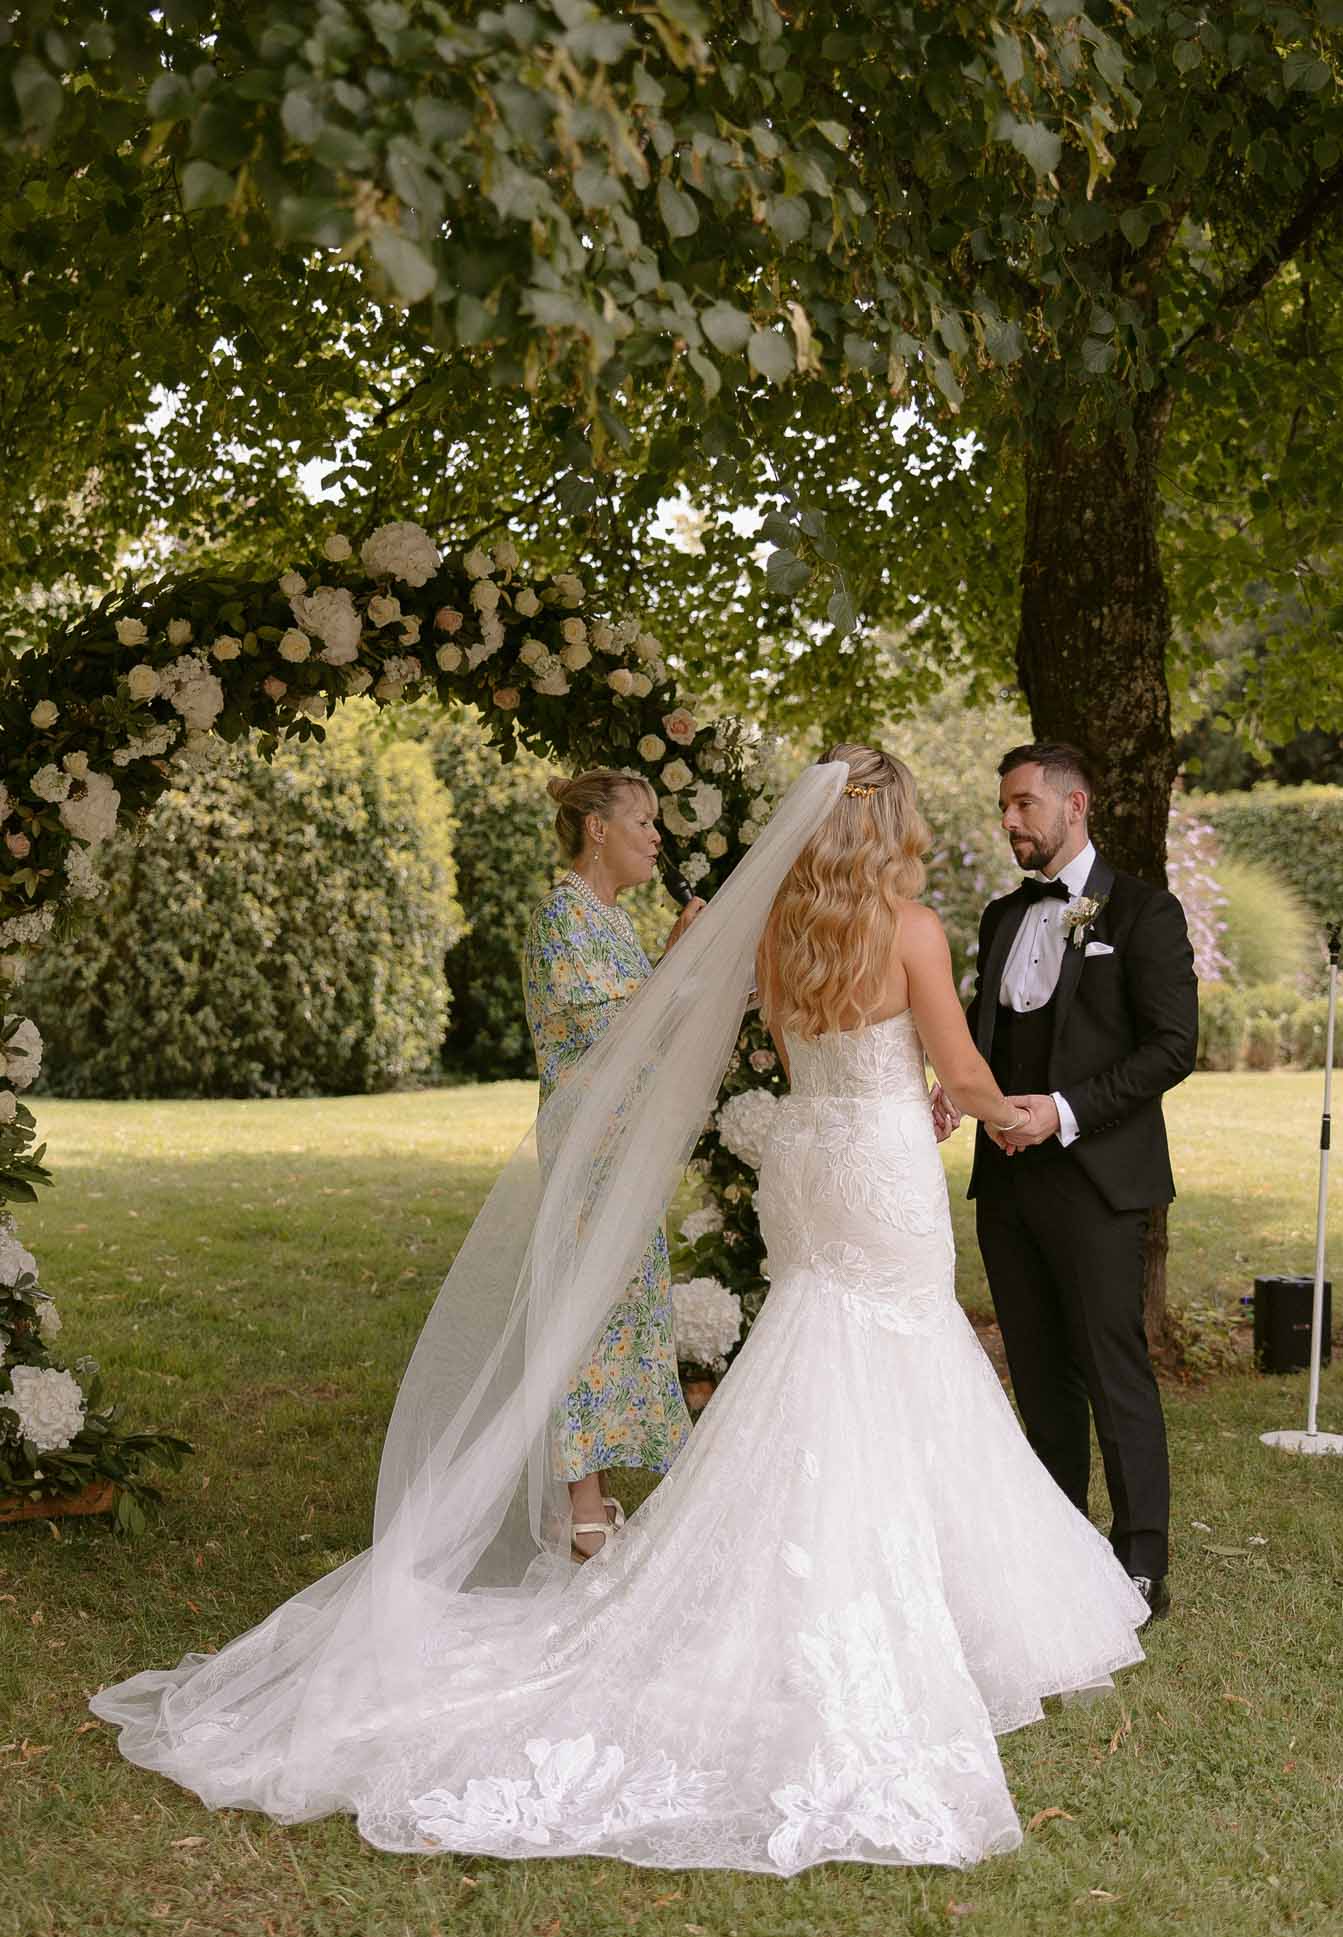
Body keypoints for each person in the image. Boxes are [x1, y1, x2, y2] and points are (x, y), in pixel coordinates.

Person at [90, 744, 1148, 1877]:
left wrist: (893, 1088)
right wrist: (1005, 1109)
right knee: (902, 1350)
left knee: (811, 1353)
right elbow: (960, 1067)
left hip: (811, 1168)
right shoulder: (916, 930)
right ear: (888, 828)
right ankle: (924, 1605)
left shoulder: (779, 936)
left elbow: (799, 1061)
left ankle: (795, 1581)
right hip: (883, 1173)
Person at [934, 741, 1198, 1625]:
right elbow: (986, 1037)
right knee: (1038, 1372)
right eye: (1003, 807)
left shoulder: (1144, 912)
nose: (1009, 821)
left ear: (1073, 805)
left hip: (1095, 1178)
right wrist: (958, 1088)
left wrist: (1064, 1110)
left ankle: (1139, 1567)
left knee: (1108, 1364)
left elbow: (1171, 1047)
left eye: (1022, 805)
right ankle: (1056, 1549)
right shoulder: (1001, 917)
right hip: (1006, 1185)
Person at [522, 769, 701, 1559]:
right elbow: (609, 1033)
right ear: (598, 829)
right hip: (588, 1150)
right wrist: (678, 958)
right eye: (644, 821)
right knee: (586, 1309)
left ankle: (593, 1496)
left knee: (622, 1307)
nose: (656, 836)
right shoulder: (564, 916)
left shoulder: (612, 919)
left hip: (624, 1145)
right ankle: (583, 1512)